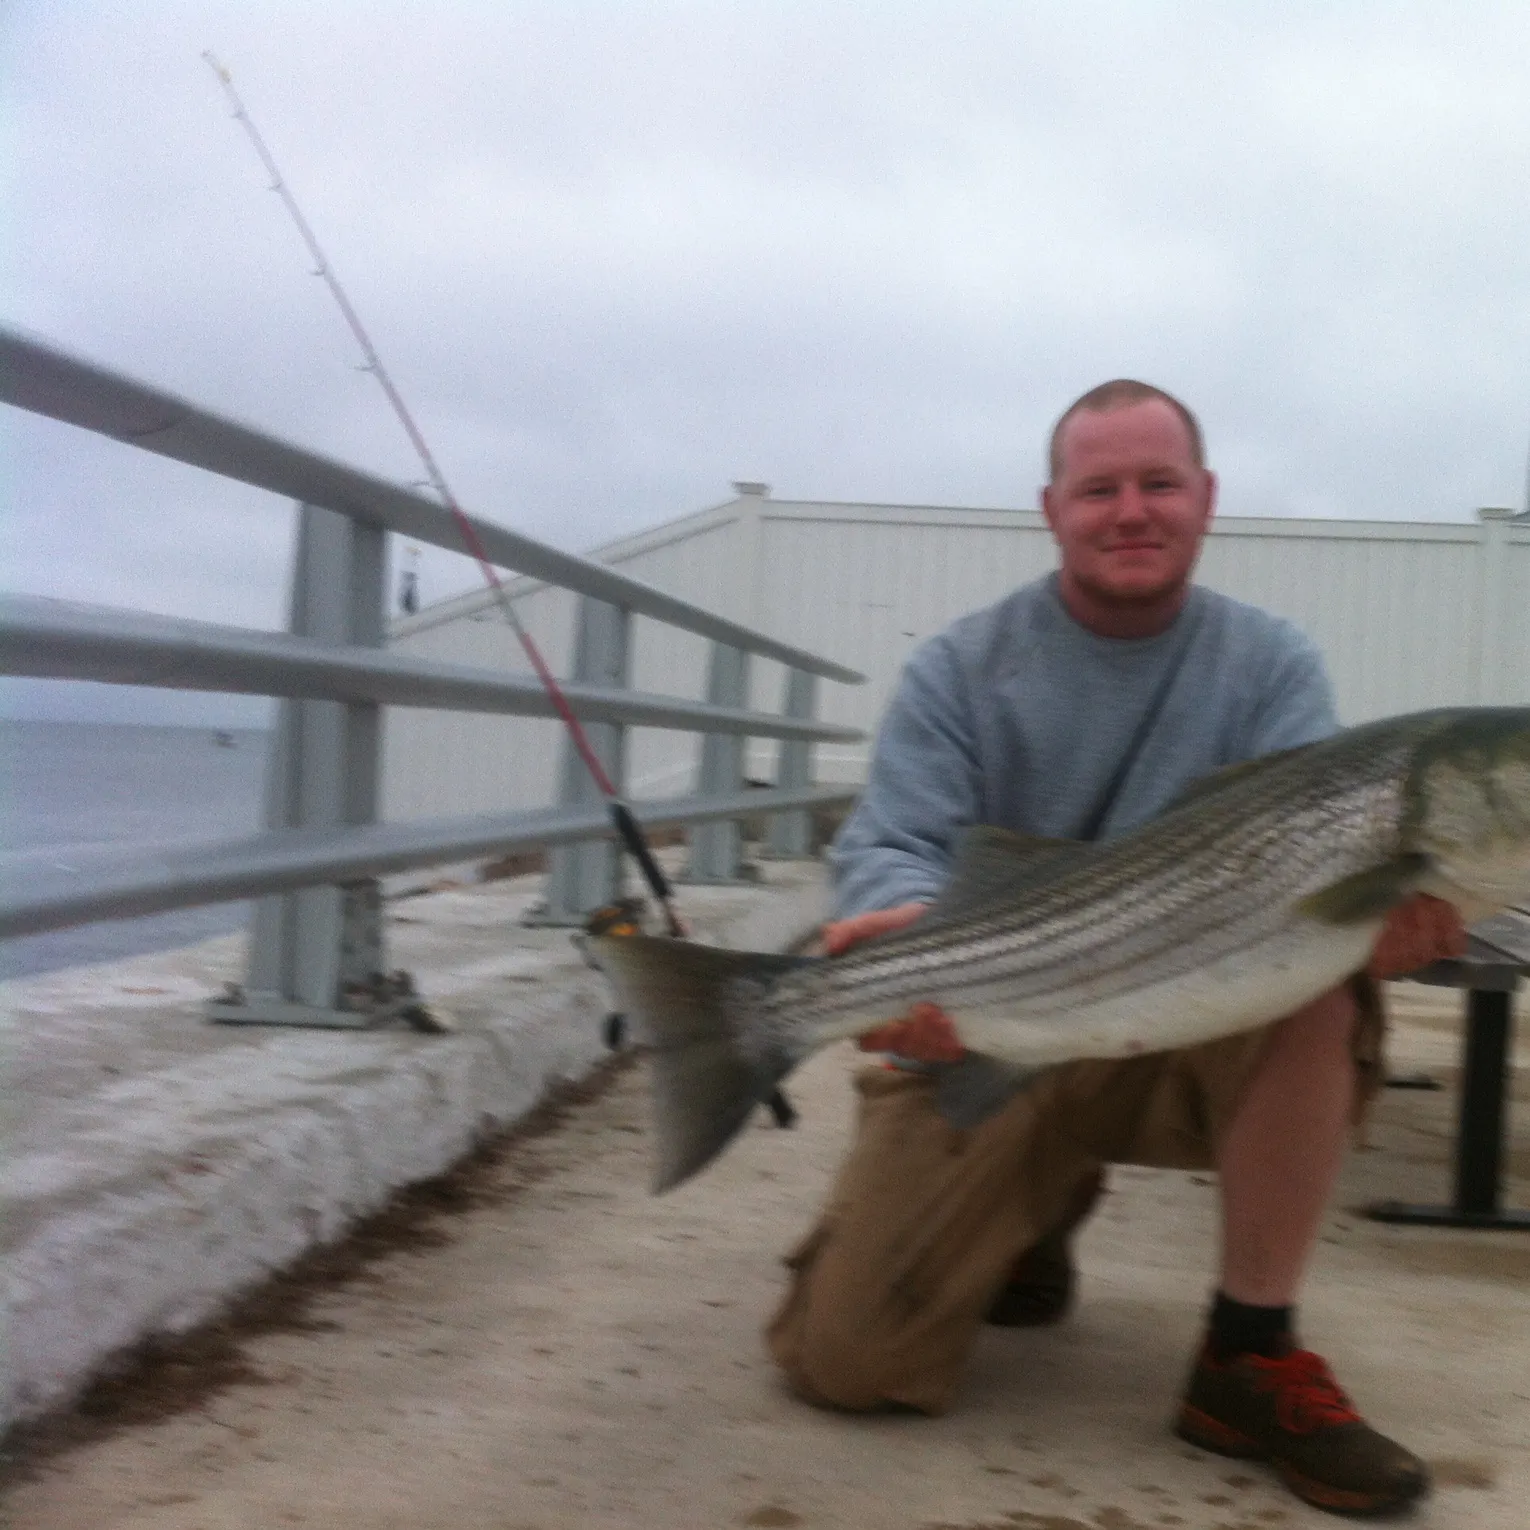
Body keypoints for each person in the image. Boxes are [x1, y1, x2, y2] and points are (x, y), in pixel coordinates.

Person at [765, 380, 1466, 1517]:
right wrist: (906, 931)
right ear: (1053, 509)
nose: (1131, 510)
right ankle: (1031, 1216)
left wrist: (1386, 927)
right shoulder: (961, 665)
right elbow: (895, 844)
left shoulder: (1272, 664)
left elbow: (1315, 884)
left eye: (1159, 483)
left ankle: (1247, 1356)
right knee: (847, 1365)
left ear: (1207, 499)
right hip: (992, 1017)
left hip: (1188, 1023)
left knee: (1326, 985)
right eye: (1101, 488)